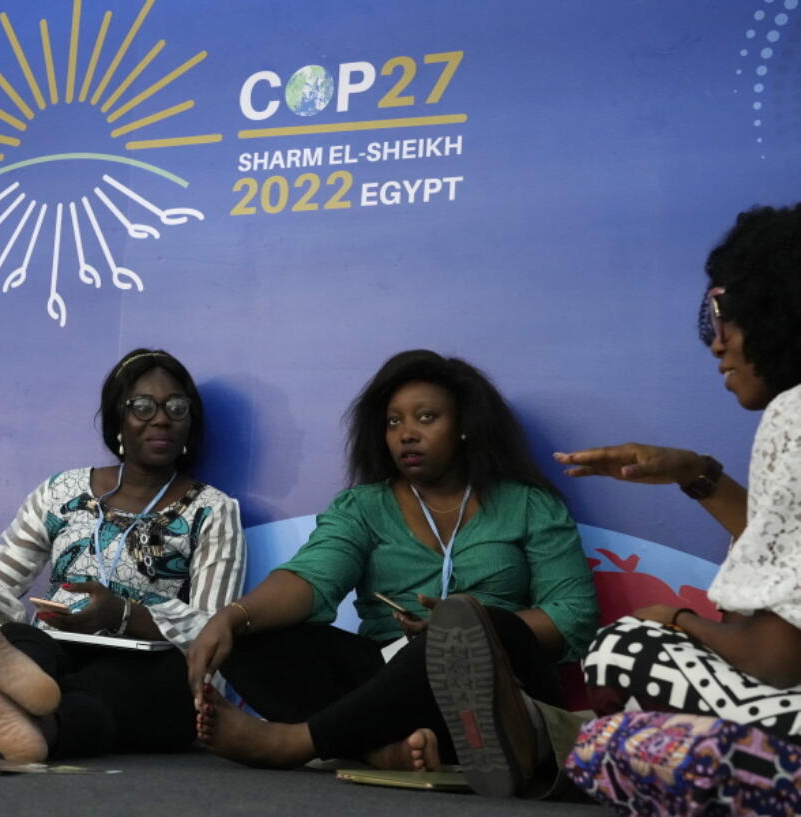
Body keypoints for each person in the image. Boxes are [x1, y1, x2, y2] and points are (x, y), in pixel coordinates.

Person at [187, 349, 597, 790]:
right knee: (251, 636)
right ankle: (382, 749)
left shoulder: (529, 505)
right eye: (393, 422)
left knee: (464, 632)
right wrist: (232, 616)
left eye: (426, 418)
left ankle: (299, 743)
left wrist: (470, 629)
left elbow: (572, 613)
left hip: (501, 690)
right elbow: (309, 579)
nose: (407, 435)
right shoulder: (364, 507)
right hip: (385, 683)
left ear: (463, 427)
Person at [551, 205, 801, 813]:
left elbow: (778, 658)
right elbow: (786, 547)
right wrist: (694, 472)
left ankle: (556, 743)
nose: (717, 342)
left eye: (722, 316)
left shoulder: (791, 415)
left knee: (623, 651)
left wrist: (679, 621)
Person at [0, 348, 246, 762]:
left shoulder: (212, 509)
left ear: (190, 423)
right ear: (117, 416)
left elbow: (212, 629)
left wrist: (121, 614)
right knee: (20, 640)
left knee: (112, 688)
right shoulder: (61, 492)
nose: (161, 418)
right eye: (142, 406)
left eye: (176, 407)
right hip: (54, 650)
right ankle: (17, 701)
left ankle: (21, 721)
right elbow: (0, 581)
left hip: (145, 664)